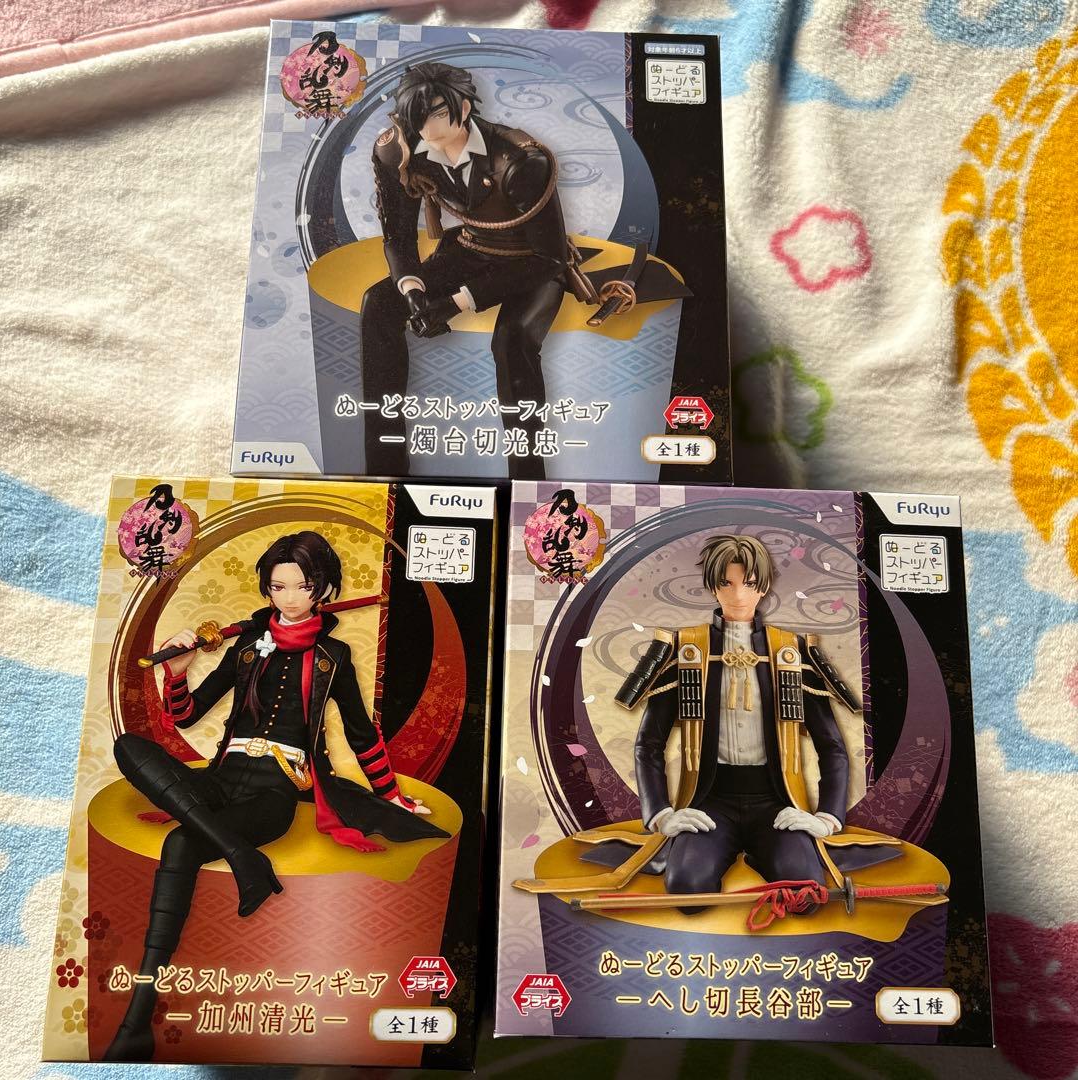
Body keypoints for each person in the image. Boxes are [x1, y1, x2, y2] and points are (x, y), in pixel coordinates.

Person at [105, 530, 446, 1061]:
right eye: (278, 586)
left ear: (323, 589)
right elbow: (189, 715)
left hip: (275, 791)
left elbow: (361, 733)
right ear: (266, 589)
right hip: (221, 777)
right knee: (129, 747)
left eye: (302, 587)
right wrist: (176, 673)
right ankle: (243, 857)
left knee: (180, 844)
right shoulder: (245, 646)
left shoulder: (333, 656)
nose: (289, 598)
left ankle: (135, 1019)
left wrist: (391, 795)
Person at [361, 61, 586, 480]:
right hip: (472, 248)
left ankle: (527, 479)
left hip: (531, 263)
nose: (425, 128)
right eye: (414, 117)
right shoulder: (399, 150)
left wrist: (456, 302)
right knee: (379, 302)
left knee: (512, 340)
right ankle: (384, 471)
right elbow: (398, 234)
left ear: (463, 108)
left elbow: (550, 259)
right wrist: (413, 289)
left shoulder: (521, 160)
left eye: (435, 113)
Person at [631, 534, 859, 910]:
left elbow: (831, 746)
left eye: (749, 583)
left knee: (805, 895)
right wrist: (661, 814)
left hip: (776, 801)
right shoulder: (687, 650)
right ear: (713, 586)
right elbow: (648, 744)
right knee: (688, 890)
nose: (738, 595)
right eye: (727, 583)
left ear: (764, 587)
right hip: (708, 800)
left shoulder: (791, 652)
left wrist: (827, 817)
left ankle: (764, 853)